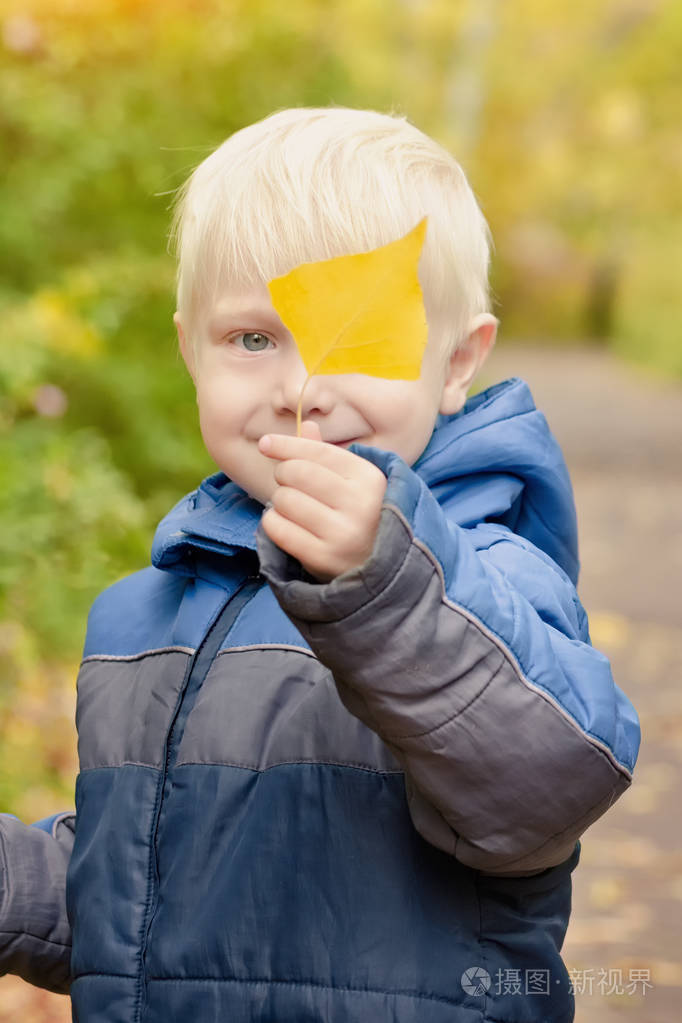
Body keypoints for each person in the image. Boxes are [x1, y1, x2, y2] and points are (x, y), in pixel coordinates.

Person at [0, 106, 640, 1022]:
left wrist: (382, 588)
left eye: (361, 338)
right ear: (190, 347)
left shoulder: (483, 574)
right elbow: (142, 894)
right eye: (252, 339)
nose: (300, 388)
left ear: (457, 361)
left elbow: (547, 785)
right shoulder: (145, 616)